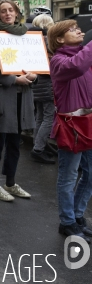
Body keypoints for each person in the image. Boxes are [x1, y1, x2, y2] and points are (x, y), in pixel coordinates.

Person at [0, 0, 36, 202]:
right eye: (3, 11)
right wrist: (13, 79)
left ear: (17, 12)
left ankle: (10, 182)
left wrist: (33, 75)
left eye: (11, 10)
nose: (7, 14)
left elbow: (32, 60)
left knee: (14, 141)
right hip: (3, 96)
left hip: (21, 96)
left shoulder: (25, 33)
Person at [47, 21, 92, 243]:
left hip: (88, 123)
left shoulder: (85, 55)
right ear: (59, 40)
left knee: (90, 174)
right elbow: (77, 66)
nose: (79, 31)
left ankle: (76, 215)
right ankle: (67, 222)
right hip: (72, 127)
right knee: (68, 177)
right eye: (72, 29)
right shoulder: (58, 61)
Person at [28, 14, 56, 164]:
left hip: (36, 84)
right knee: (48, 117)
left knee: (39, 116)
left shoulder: (33, 42)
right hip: (47, 84)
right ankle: (38, 148)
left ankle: (38, 144)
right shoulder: (48, 42)